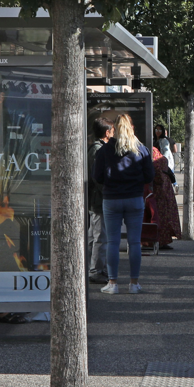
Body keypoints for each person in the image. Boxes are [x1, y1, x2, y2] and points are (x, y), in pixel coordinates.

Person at [92, 113, 155, 294]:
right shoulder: (141, 150)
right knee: (134, 242)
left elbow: (97, 176)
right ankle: (134, 283)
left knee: (113, 241)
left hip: (111, 199)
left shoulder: (104, 151)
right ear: (130, 128)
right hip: (134, 198)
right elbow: (150, 175)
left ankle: (112, 283)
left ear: (114, 130)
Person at [85, 117, 113, 284]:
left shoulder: (96, 148)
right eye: (112, 131)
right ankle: (96, 270)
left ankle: (92, 267)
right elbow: (98, 177)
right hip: (99, 199)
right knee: (99, 235)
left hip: (96, 198)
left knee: (93, 234)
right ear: (106, 132)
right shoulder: (98, 150)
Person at [147, 143, 182, 249]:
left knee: (158, 214)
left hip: (158, 189)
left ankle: (157, 239)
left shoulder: (150, 152)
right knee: (164, 215)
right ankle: (162, 240)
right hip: (165, 188)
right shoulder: (155, 152)